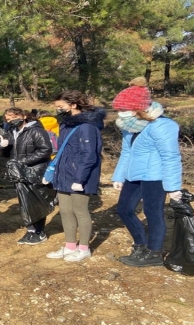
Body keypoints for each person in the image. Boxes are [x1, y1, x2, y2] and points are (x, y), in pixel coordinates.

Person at [111, 78, 183, 267]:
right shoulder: (130, 126)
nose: (119, 114)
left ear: (136, 110)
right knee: (124, 210)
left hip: (154, 176)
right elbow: (127, 151)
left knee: (153, 213)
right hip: (133, 175)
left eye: (122, 110)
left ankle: (154, 253)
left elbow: (171, 157)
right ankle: (141, 245)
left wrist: (174, 187)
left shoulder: (162, 126)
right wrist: (119, 175)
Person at [44, 91, 105, 262]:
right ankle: (70, 246)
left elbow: (89, 155)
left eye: (60, 106)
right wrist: (53, 172)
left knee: (80, 211)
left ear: (73, 105)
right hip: (64, 174)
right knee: (65, 211)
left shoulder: (87, 126)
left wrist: (80, 179)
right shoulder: (66, 124)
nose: (57, 110)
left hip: (80, 177)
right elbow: (62, 151)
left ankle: (84, 248)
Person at [0, 107, 53, 245]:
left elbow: (46, 150)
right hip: (19, 173)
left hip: (35, 171)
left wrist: (22, 161)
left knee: (36, 201)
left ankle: (39, 232)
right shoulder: (12, 132)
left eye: (13, 117)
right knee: (25, 202)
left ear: (23, 116)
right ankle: (31, 231)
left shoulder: (36, 130)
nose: (11, 121)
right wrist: (2, 145)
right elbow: (3, 154)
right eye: (8, 119)